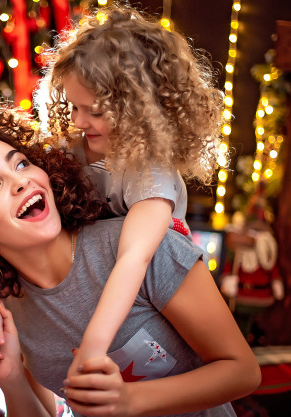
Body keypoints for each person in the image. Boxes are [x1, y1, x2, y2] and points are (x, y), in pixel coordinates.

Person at [0, 104, 260, 417]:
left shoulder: (140, 246)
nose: (21, 182)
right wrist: (9, 377)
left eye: (20, 164)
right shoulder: (8, 310)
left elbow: (243, 372)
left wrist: (130, 399)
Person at [26, 3, 227, 380]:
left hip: (153, 306)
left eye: (95, 111)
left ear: (142, 110)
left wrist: (93, 347)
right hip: (95, 294)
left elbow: (134, 258)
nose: (79, 122)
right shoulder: (72, 146)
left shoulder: (151, 175)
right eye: (73, 106)